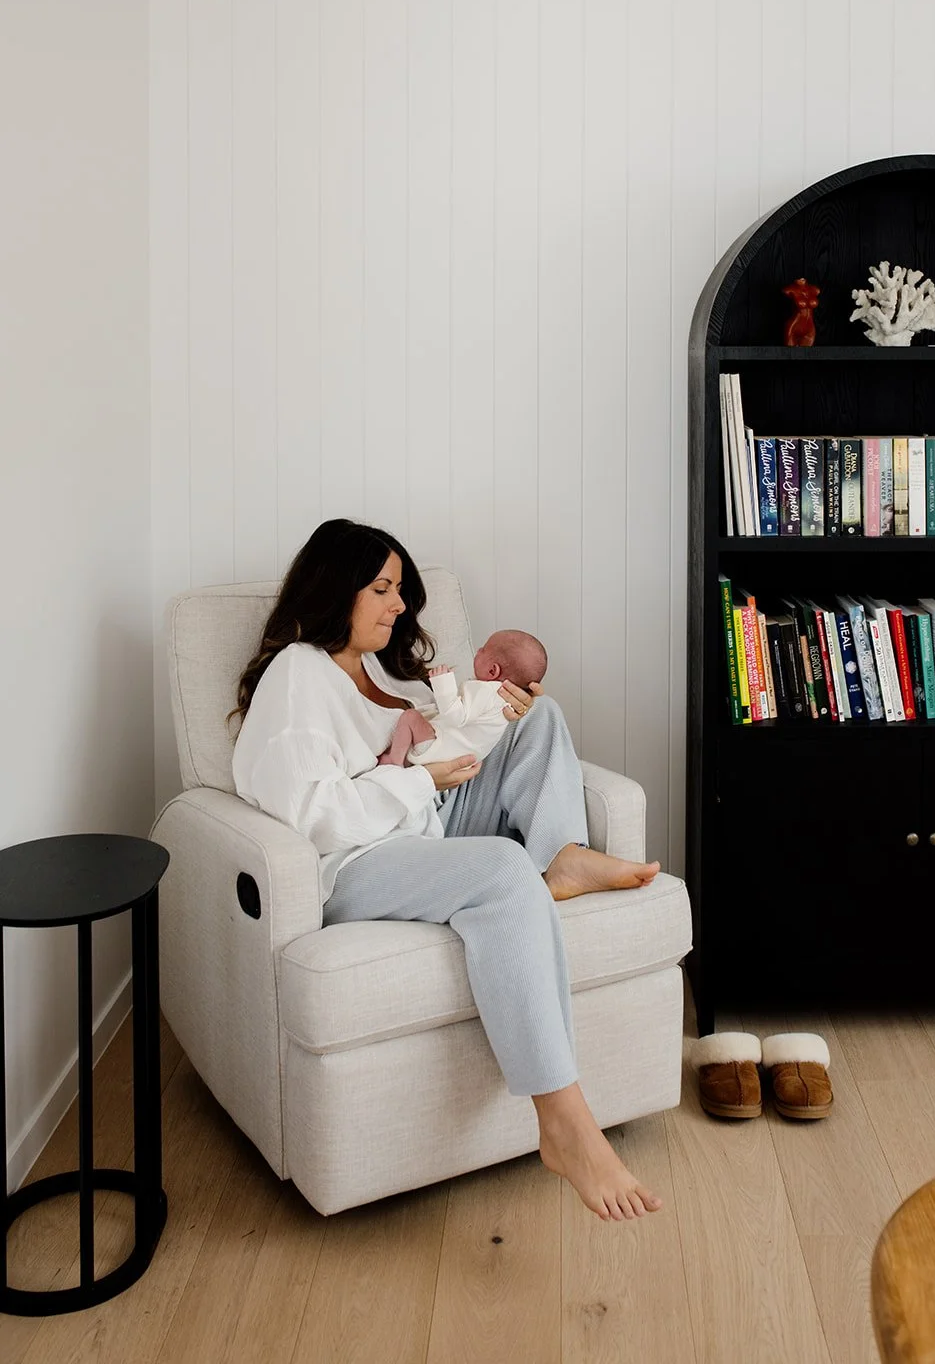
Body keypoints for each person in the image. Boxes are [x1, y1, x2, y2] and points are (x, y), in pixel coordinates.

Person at [230, 518, 663, 1222]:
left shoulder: (372, 668)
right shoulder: (298, 673)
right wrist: (422, 780)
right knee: (500, 868)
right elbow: (313, 813)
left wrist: (490, 720)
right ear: (335, 589)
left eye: (399, 590)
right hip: (358, 861)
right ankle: (564, 1121)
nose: (399, 604)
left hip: (420, 822)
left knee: (537, 718)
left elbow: (417, 752)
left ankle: (562, 855)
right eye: (381, 589)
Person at [375, 629, 548, 769]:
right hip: (454, 758)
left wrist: (442, 682)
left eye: (483, 650)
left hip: (439, 752)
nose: (478, 651)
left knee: (410, 717)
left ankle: (394, 761)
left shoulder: (485, 691)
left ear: (492, 671)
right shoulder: (504, 698)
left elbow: (454, 716)